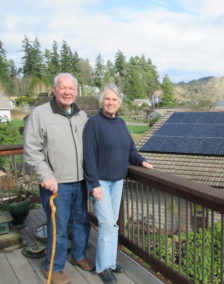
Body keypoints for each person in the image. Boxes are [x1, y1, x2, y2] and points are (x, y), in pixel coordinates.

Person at [24, 73, 93, 284]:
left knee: (81, 222)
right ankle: (53, 267)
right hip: (55, 184)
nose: (67, 92)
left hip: (80, 181)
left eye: (71, 88)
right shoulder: (40, 114)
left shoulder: (82, 116)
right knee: (59, 228)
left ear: (76, 92)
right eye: (63, 88)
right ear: (55, 90)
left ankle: (78, 254)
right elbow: (31, 150)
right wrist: (46, 176)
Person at [83, 83, 153, 284]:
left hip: (117, 180)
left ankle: (110, 262)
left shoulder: (121, 123)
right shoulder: (93, 124)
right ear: (101, 101)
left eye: (114, 99)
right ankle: (104, 268)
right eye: (107, 99)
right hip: (101, 183)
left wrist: (141, 161)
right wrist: (94, 184)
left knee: (112, 224)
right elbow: (88, 156)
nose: (111, 103)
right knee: (106, 224)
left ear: (119, 103)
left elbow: (130, 149)